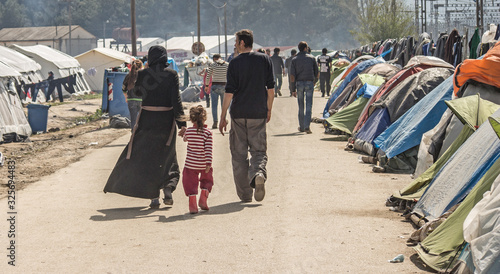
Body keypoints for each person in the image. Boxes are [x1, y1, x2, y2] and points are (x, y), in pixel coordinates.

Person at [104, 45, 187, 209]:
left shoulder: (142, 74)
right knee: (167, 155)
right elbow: (175, 100)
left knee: (148, 157)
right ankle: (168, 188)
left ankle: (154, 196)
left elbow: (139, 93)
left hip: (147, 120)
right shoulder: (172, 75)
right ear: (164, 58)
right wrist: (182, 123)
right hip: (166, 121)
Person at [219, 29, 275, 203]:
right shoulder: (264, 59)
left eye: (236, 41)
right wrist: (269, 109)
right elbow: (271, 90)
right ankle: (258, 173)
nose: (235, 45)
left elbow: (229, 93)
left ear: (242, 43)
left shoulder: (234, 63)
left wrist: (222, 117)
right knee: (258, 151)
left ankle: (245, 195)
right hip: (258, 113)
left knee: (238, 155)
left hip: (238, 114)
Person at [182, 105, 213, 214]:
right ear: (204, 118)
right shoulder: (208, 133)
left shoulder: (189, 131)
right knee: (207, 180)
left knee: (190, 182)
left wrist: (185, 132)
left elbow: (185, 139)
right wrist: (209, 163)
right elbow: (208, 149)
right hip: (204, 163)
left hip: (190, 164)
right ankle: (203, 199)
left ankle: (193, 205)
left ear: (191, 119)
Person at [289, 41, 319, 134]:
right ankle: (307, 127)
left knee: (301, 105)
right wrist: (314, 82)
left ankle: (301, 127)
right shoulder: (312, 58)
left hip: (299, 84)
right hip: (309, 83)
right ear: (306, 48)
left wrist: (292, 89)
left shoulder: (294, 60)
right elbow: (317, 73)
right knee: (309, 105)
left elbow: (292, 76)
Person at [205, 54, 228, 129]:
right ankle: (223, 120)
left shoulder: (212, 65)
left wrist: (207, 85)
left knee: (214, 105)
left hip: (214, 86)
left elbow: (208, 76)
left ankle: (215, 122)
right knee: (223, 105)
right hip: (224, 86)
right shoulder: (227, 65)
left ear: (214, 58)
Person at [122, 59, 144, 129]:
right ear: (141, 67)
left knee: (133, 120)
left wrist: (126, 97)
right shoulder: (143, 76)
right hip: (142, 100)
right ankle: (141, 137)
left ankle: (133, 136)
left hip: (131, 100)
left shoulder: (128, 76)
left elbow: (124, 88)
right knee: (142, 120)